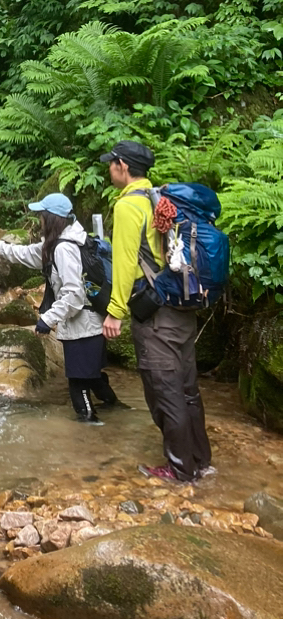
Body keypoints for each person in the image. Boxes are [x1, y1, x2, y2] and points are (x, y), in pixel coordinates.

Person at [99, 139, 213, 482]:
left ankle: (179, 470)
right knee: (187, 388)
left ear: (122, 166)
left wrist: (114, 311)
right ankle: (200, 461)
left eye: (111, 163)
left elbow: (123, 264)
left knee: (164, 392)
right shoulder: (161, 199)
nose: (109, 169)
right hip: (182, 305)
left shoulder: (128, 207)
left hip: (155, 313)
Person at [0, 192, 120, 422]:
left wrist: (48, 319)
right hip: (89, 323)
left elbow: (74, 294)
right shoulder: (55, 244)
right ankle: (116, 412)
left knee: (78, 385)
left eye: (42, 216)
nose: (39, 221)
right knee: (92, 377)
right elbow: (25, 254)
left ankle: (89, 428)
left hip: (84, 327)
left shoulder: (64, 248)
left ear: (52, 219)